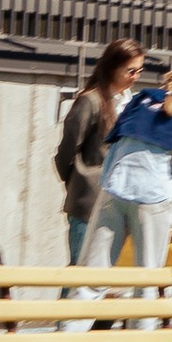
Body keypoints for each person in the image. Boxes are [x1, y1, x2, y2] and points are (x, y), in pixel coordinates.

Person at [88, 58, 172, 274]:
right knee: (148, 276)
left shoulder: (142, 99)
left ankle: (83, 305)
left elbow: (115, 146)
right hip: (152, 198)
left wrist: (107, 183)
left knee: (93, 273)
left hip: (114, 190)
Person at [55, 39, 143, 260]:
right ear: (113, 67)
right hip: (90, 201)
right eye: (130, 71)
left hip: (120, 201)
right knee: (80, 269)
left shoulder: (131, 102)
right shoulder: (90, 101)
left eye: (139, 71)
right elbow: (67, 150)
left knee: (100, 274)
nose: (135, 77)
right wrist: (80, 181)